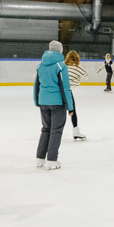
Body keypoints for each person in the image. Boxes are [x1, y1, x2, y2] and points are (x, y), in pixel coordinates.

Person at [34, 41, 74, 170]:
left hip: (43, 101)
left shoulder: (40, 65)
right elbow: (66, 88)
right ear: (60, 51)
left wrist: (37, 101)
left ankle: (39, 159)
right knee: (56, 131)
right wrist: (70, 107)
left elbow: (36, 85)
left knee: (46, 129)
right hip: (57, 103)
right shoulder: (61, 66)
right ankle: (52, 160)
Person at [64, 50, 88, 141]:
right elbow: (86, 76)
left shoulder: (63, 66)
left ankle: (52, 131)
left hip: (59, 92)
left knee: (59, 111)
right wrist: (77, 79)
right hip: (68, 92)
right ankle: (76, 131)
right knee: (72, 111)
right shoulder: (78, 68)